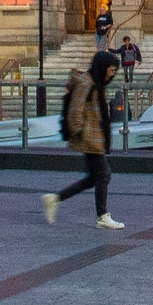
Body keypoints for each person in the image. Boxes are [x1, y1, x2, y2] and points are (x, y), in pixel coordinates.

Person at [42, 51, 122, 230]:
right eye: (111, 69)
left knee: (93, 178)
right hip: (90, 138)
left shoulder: (96, 82)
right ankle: (102, 216)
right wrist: (80, 132)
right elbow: (75, 111)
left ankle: (55, 199)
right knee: (104, 174)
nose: (113, 74)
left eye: (115, 71)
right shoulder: (87, 83)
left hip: (95, 137)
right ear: (102, 67)